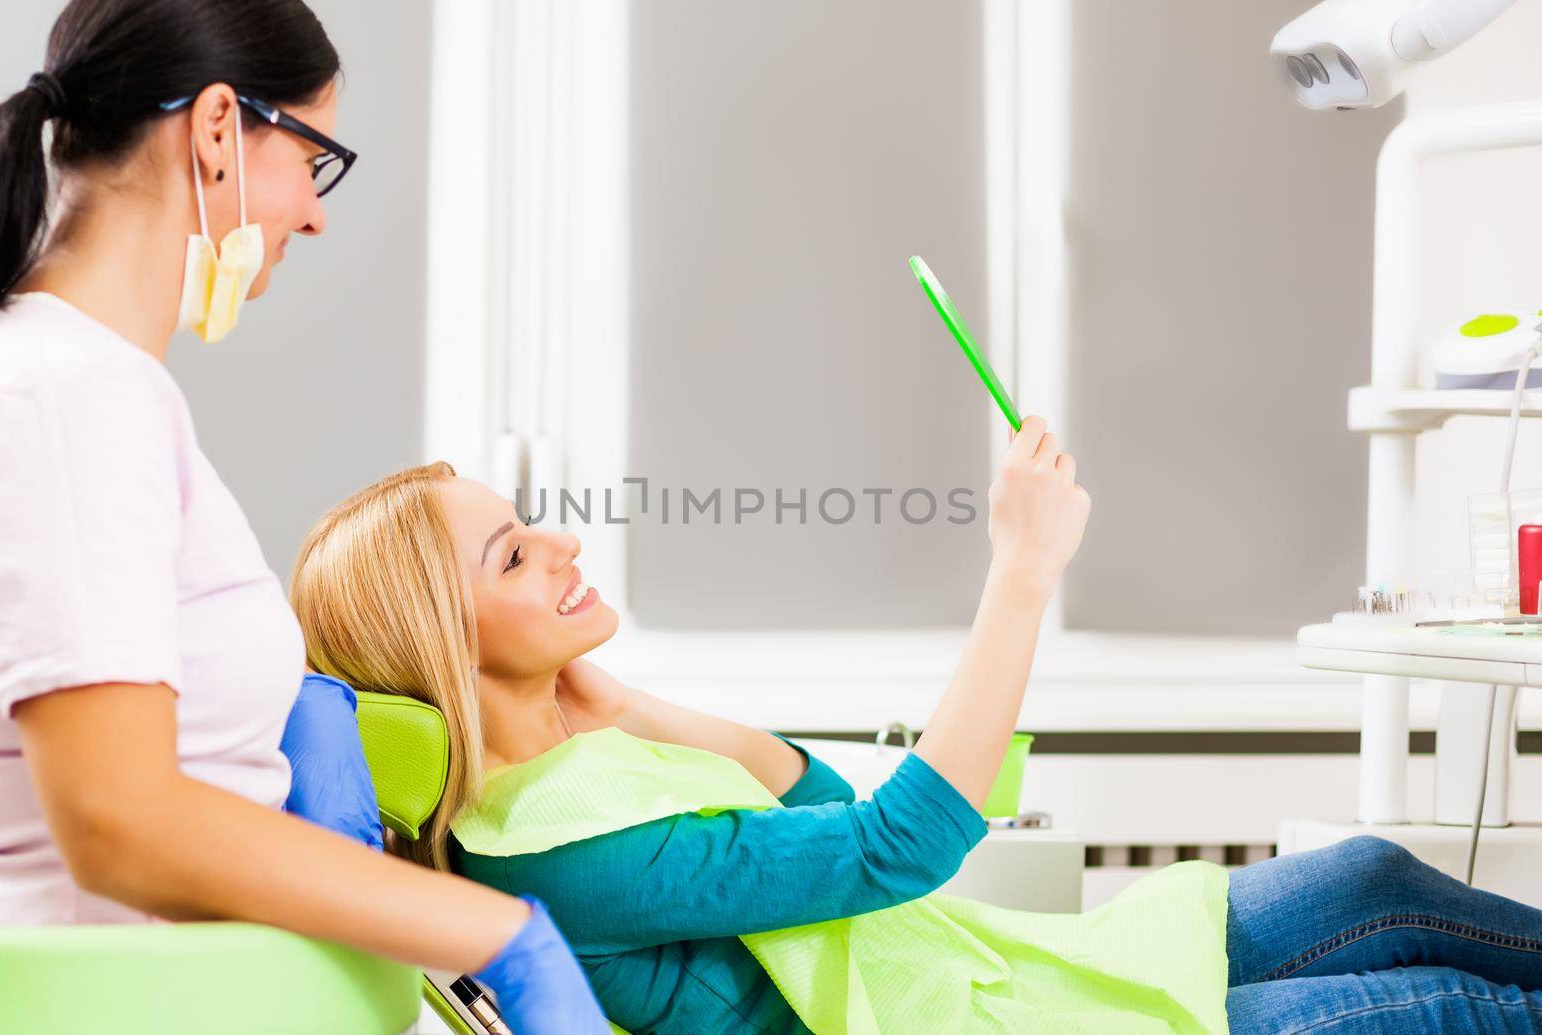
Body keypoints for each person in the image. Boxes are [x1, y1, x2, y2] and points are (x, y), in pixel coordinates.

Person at [291, 421, 1542, 1033]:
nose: (561, 542)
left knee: (1371, 876)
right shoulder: (553, 852)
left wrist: (632, 703)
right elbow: (900, 844)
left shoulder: (585, 760)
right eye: (515, 552)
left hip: (1009, 975)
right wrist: (1022, 573)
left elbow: (823, 810)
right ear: (444, 649)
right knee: (1448, 1007)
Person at [0, 0, 604, 1030]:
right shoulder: (59, 391)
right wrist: (488, 931)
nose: (314, 214)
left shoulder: (91, 389)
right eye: (312, 160)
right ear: (215, 127)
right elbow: (117, 816)